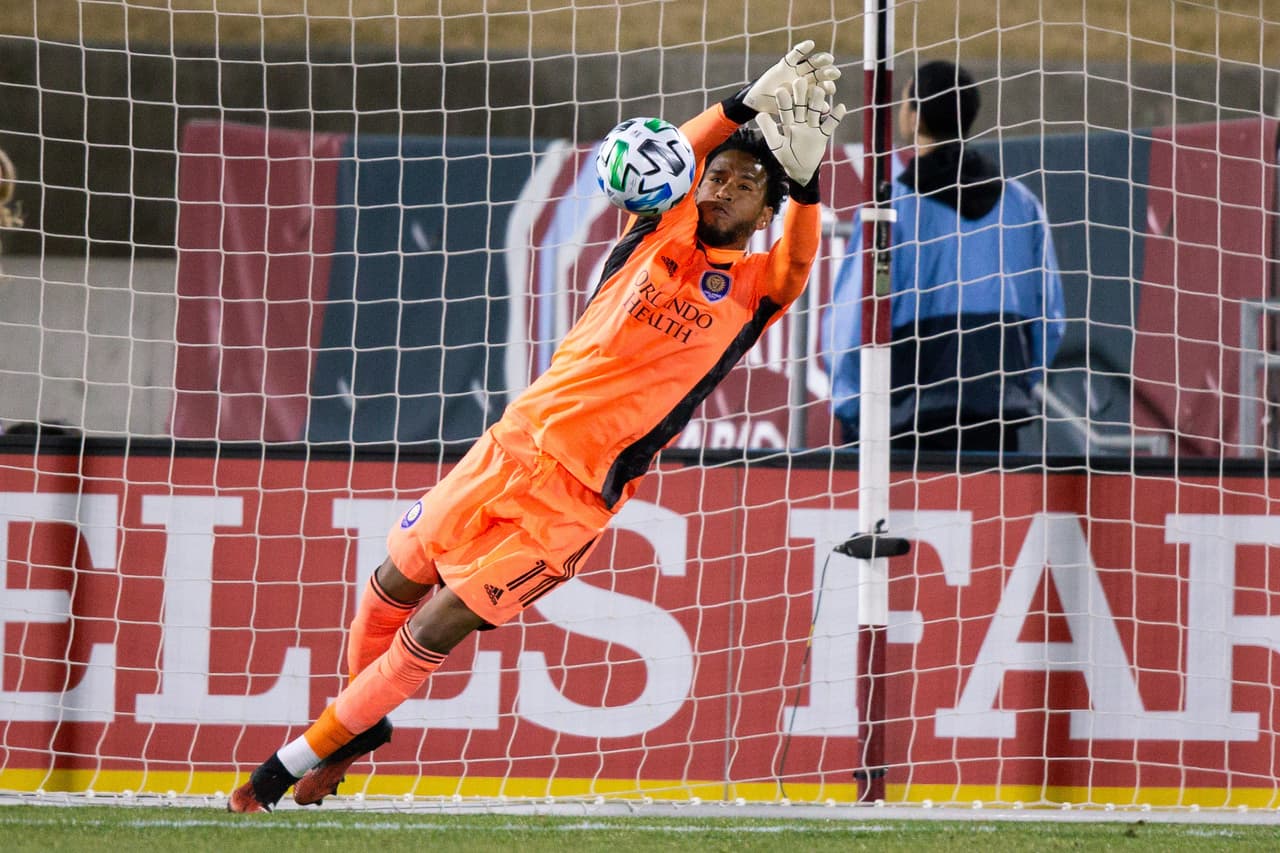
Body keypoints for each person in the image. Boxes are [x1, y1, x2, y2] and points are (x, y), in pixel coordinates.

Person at [228, 42, 846, 812]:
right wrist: (741, 107)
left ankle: (280, 769)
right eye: (718, 175)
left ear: (765, 212)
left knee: (433, 623)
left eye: (746, 184)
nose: (723, 188)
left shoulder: (757, 289)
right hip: (510, 443)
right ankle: (348, 735)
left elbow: (797, 259)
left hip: (573, 498)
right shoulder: (659, 233)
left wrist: (810, 181)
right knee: (387, 586)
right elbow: (665, 159)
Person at [824, 59, 1065, 454]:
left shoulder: (889, 207)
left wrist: (852, 406)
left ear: (914, 116)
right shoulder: (1022, 205)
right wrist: (1013, 383)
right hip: (995, 414)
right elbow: (1050, 319)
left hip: (905, 418)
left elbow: (855, 320)